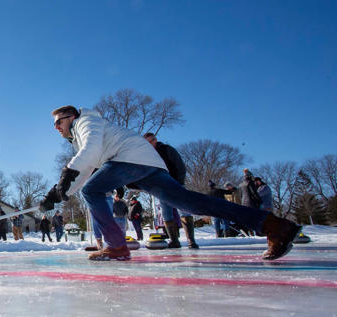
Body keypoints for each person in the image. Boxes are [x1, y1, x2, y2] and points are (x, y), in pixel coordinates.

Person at [40, 105, 301, 261]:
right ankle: (275, 226)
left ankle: (117, 246)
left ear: (71, 117)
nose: (55, 128)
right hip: (145, 164)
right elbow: (85, 168)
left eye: (57, 122)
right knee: (192, 203)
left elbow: (89, 156)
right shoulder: (80, 134)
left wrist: (64, 182)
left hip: (131, 159)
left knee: (92, 190)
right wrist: (57, 195)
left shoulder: (86, 122)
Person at [143, 133, 193, 249]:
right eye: (147, 142)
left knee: (184, 211)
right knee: (166, 214)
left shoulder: (167, 150)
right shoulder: (147, 155)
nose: (150, 144)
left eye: (151, 141)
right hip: (160, 187)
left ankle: (191, 241)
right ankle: (174, 240)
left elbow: (179, 165)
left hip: (175, 184)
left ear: (155, 140)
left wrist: (179, 182)